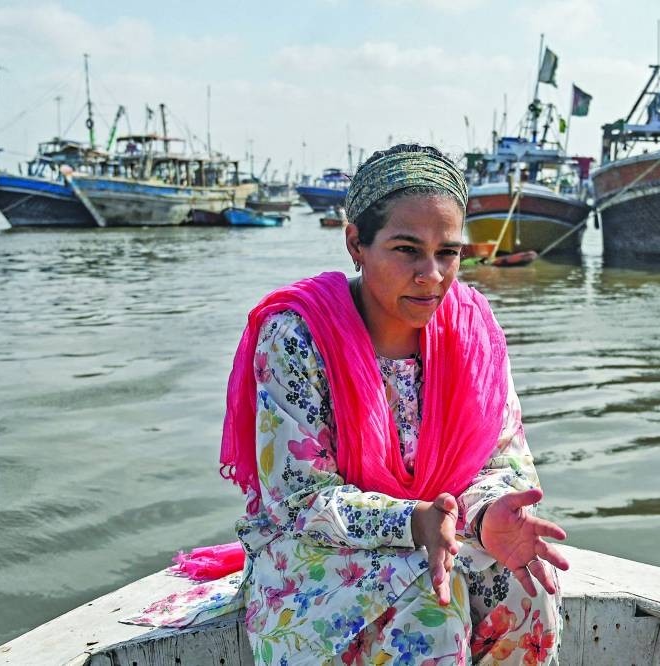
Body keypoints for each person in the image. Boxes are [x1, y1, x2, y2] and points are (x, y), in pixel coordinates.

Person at [220, 144, 569, 665]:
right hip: (324, 547)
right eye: (407, 249)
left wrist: (489, 512)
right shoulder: (296, 335)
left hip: (448, 528)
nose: (432, 274)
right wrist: (411, 522)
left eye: (448, 252)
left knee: (529, 594)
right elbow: (297, 502)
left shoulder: (473, 330)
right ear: (356, 243)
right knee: (432, 615)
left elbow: (504, 462)